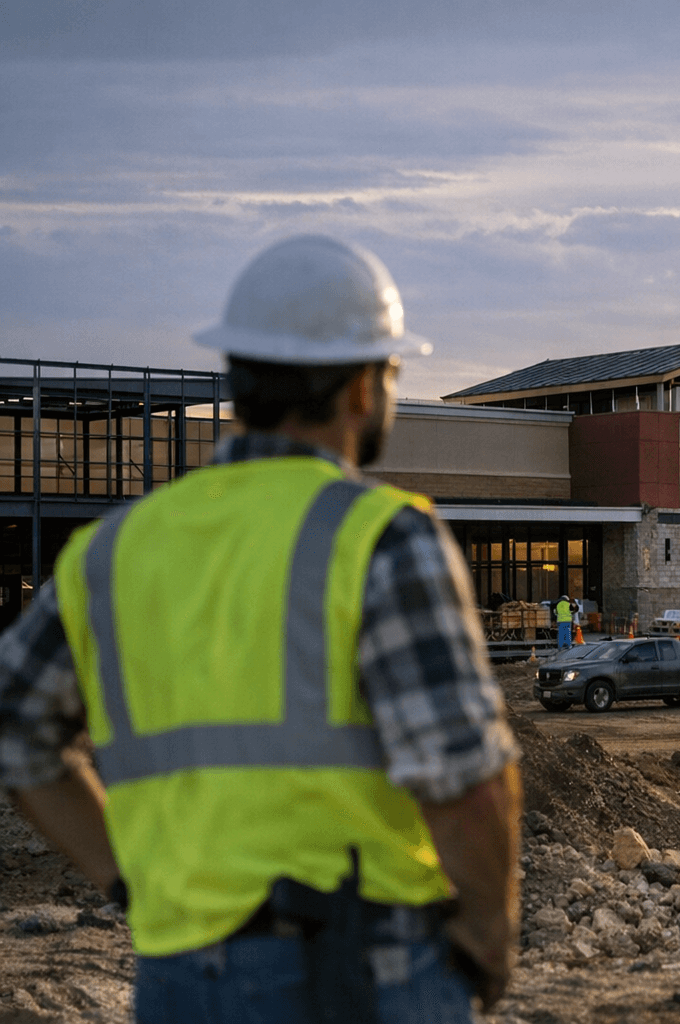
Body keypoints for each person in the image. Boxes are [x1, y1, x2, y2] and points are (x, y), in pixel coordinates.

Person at [0, 235, 521, 1023]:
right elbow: (465, 783)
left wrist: (131, 880)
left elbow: (14, 728)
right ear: (360, 389)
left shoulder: (111, 551)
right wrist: (487, 934)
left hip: (179, 977)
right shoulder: (381, 538)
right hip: (356, 967)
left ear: (242, 380)